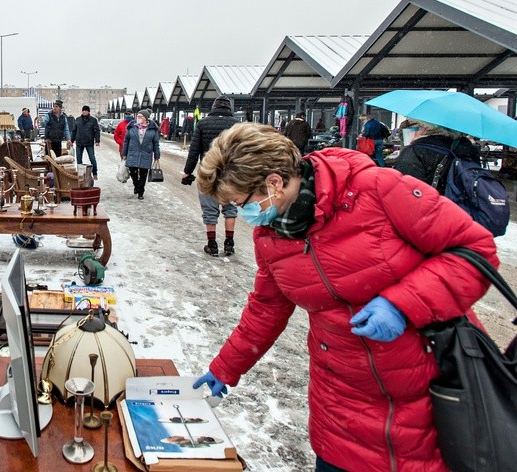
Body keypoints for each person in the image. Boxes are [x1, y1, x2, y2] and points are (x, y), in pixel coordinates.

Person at [192, 123, 497, 472]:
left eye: (239, 202)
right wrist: (226, 368)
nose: (242, 214)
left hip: (431, 397)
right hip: (340, 404)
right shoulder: (271, 235)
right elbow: (266, 309)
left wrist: (403, 304)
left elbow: (475, 250)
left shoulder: (378, 189)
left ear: (274, 183)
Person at [181, 95, 239, 256]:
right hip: (230, 172)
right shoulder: (237, 125)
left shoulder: (202, 123)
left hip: (208, 170)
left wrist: (188, 171)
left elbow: (194, 150)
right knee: (230, 208)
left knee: (209, 209)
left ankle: (212, 244)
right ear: (229, 109)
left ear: (214, 107)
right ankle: (229, 243)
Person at [392, 120, 481, 194]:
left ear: (426, 127)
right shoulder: (464, 146)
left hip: (430, 208)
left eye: (412, 126)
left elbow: (405, 189)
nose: (408, 131)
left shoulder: (416, 150)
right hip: (461, 208)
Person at [121, 109, 160, 200]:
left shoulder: (153, 129)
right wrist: (124, 153)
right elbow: (126, 140)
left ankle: (141, 191)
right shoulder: (131, 127)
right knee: (133, 172)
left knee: (143, 174)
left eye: (140, 117)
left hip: (146, 153)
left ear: (146, 118)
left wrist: (157, 155)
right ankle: (136, 185)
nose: (138, 118)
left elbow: (156, 143)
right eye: (137, 116)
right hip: (133, 153)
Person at [74, 105, 101, 178]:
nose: (84, 111)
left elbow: (96, 131)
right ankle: (80, 174)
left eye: (86, 110)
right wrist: (71, 140)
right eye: (83, 110)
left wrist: (97, 140)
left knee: (92, 158)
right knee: (79, 159)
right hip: (79, 142)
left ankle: (94, 173)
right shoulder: (78, 119)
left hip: (89, 142)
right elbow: (74, 131)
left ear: (88, 111)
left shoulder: (93, 120)